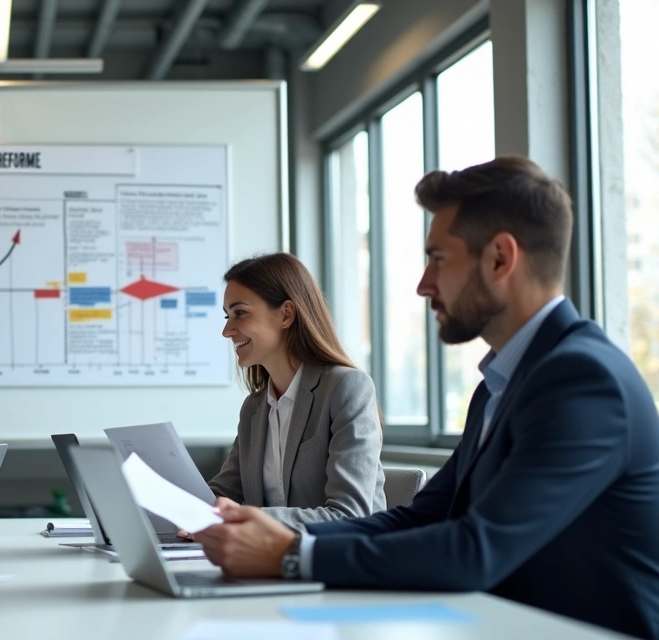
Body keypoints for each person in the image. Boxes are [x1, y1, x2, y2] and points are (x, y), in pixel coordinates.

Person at [193, 156, 659, 639]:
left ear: (500, 258)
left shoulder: (582, 380)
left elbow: (475, 551)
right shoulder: (501, 384)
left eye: (438, 259)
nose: (423, 284)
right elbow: (420, 518)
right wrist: (287, 538)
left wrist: (291, 555)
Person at [205, 253, 385, 528]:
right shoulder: (254, 407)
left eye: (240, 313)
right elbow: (223, 493)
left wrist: (249, 518)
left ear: (286, 314)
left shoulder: (346, 388)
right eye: (228, 316)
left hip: (339, 564)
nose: (227, 330)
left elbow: (350, 515)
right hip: (272, 563)